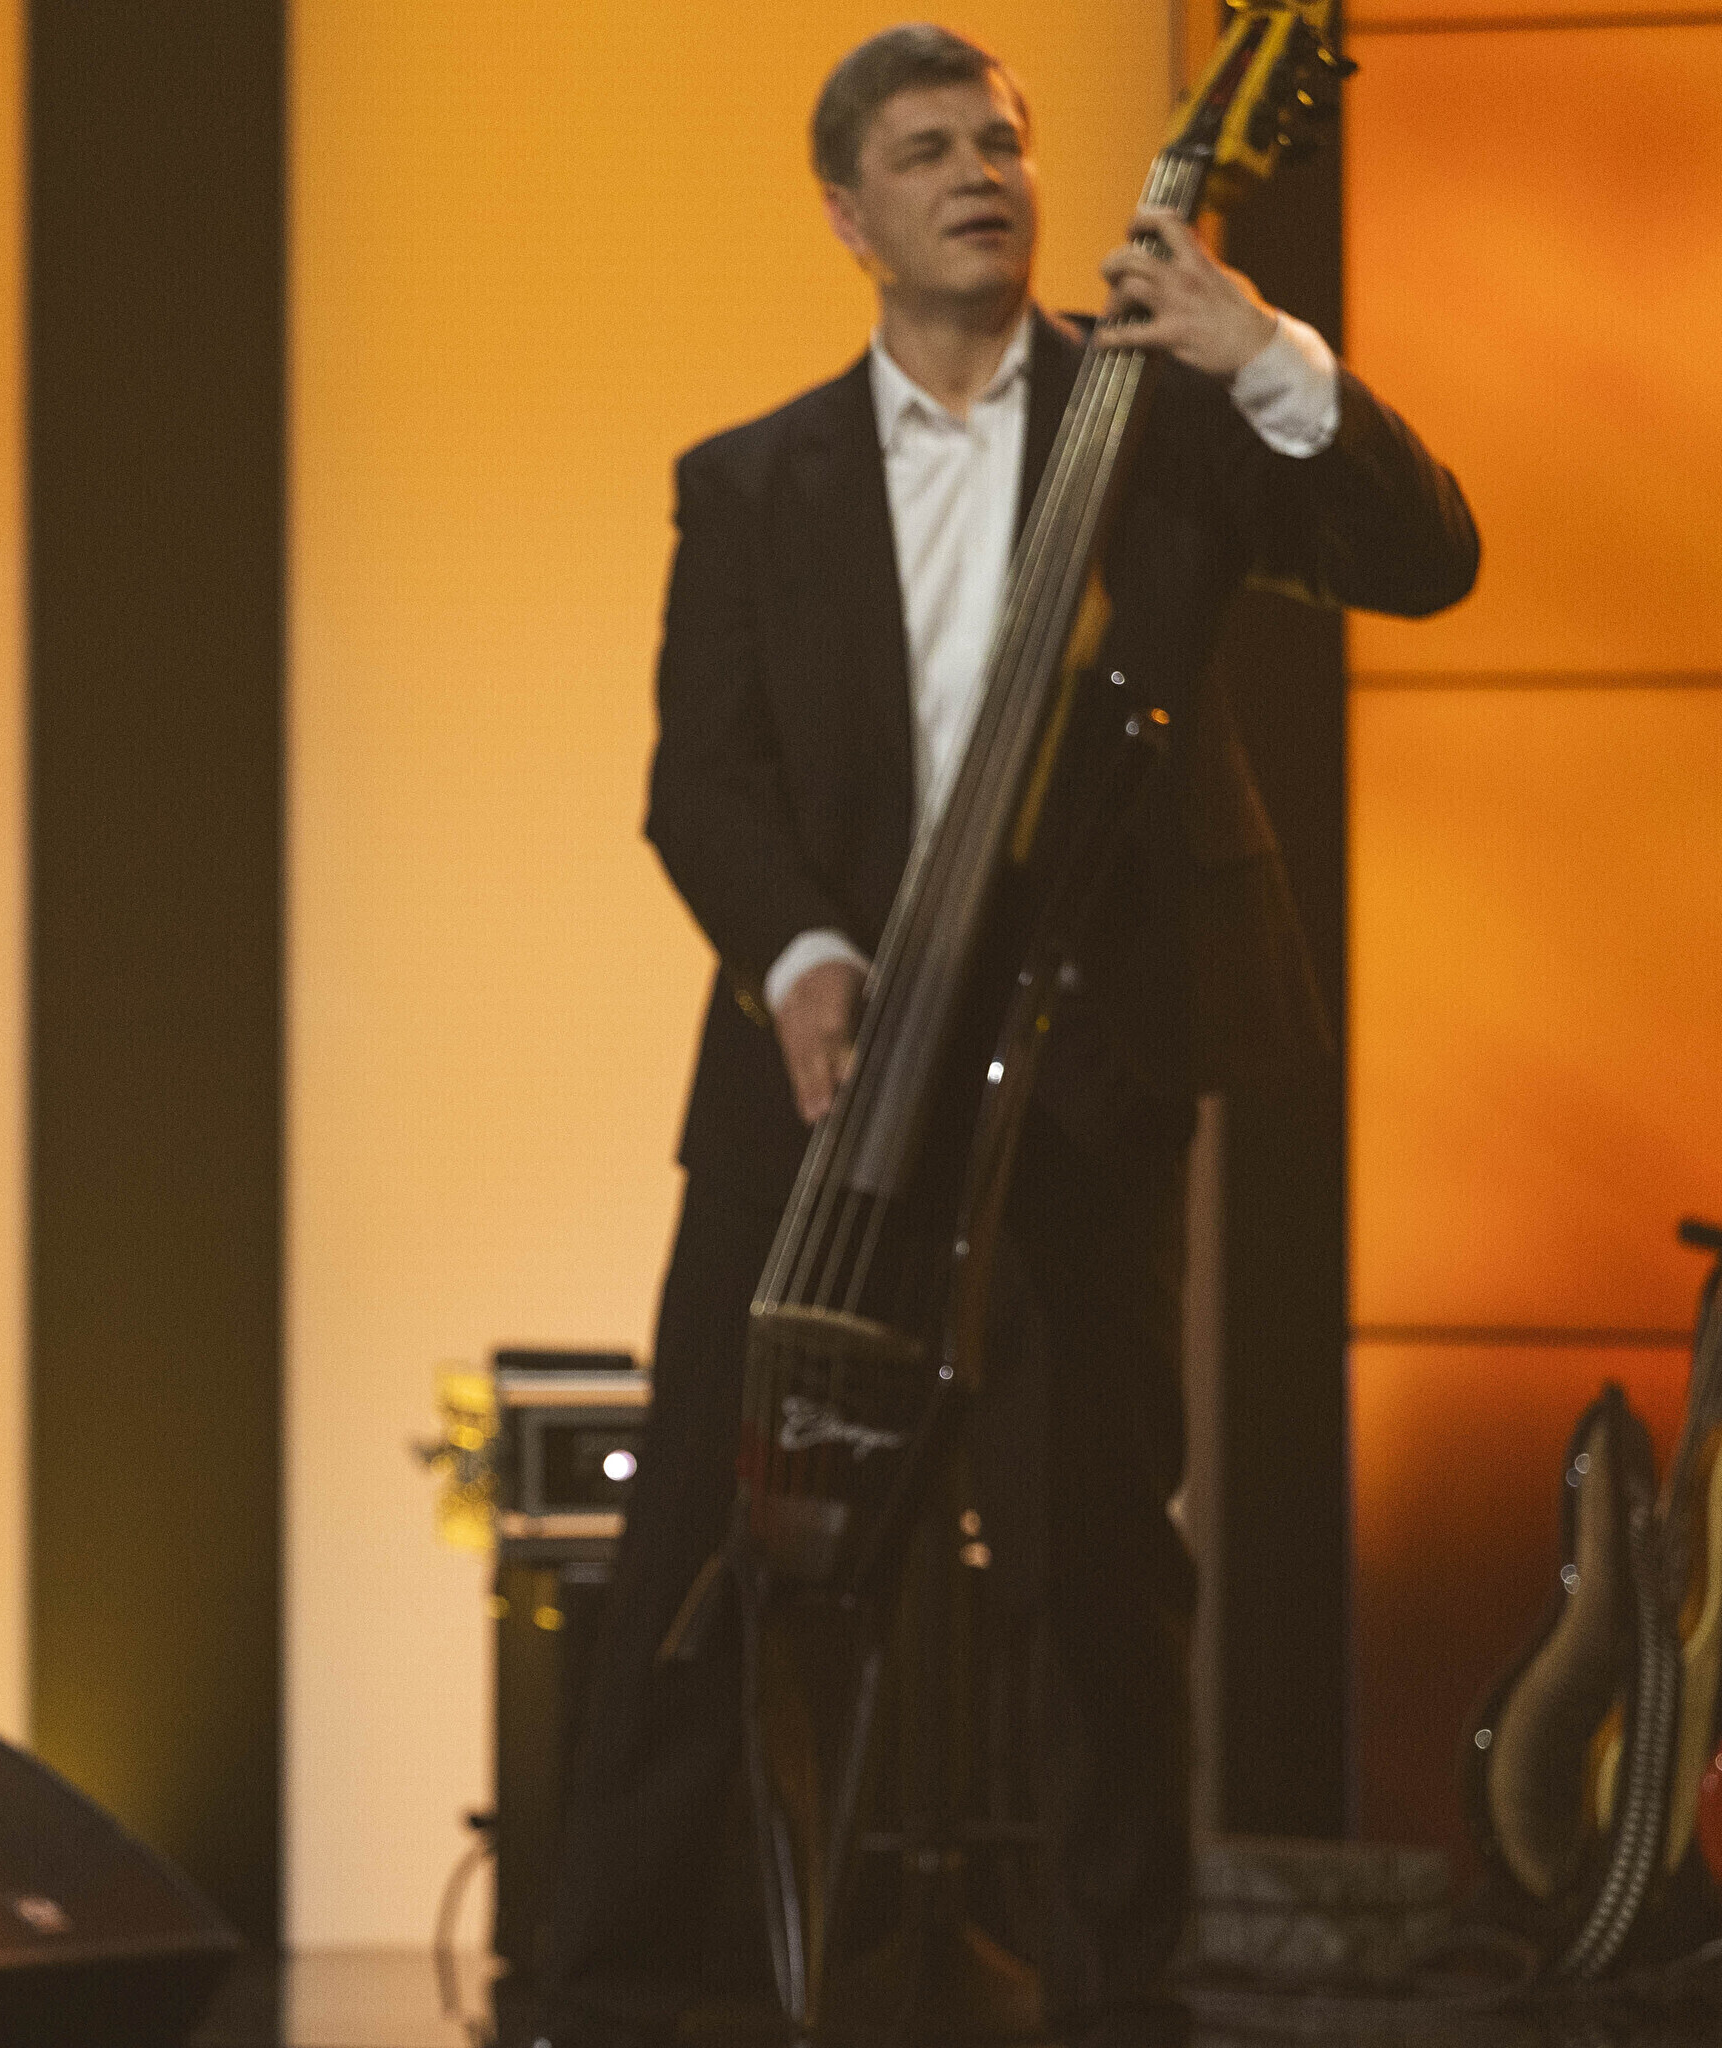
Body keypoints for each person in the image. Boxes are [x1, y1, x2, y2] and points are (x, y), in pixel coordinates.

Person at [524, 26, 1476, 2048]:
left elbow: (1428, 557)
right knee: (714, 1536)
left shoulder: (1171, 423)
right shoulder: (749, 480)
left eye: (1002, 140)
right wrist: (801, 958)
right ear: (846, 213)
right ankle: (612, 2001)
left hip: (1085, 1078)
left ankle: (1115, 2003)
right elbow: (702, 781)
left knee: (1096, 1561)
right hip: (818, 1096)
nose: (977, 169)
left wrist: (1259, 348)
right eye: (924, 148)